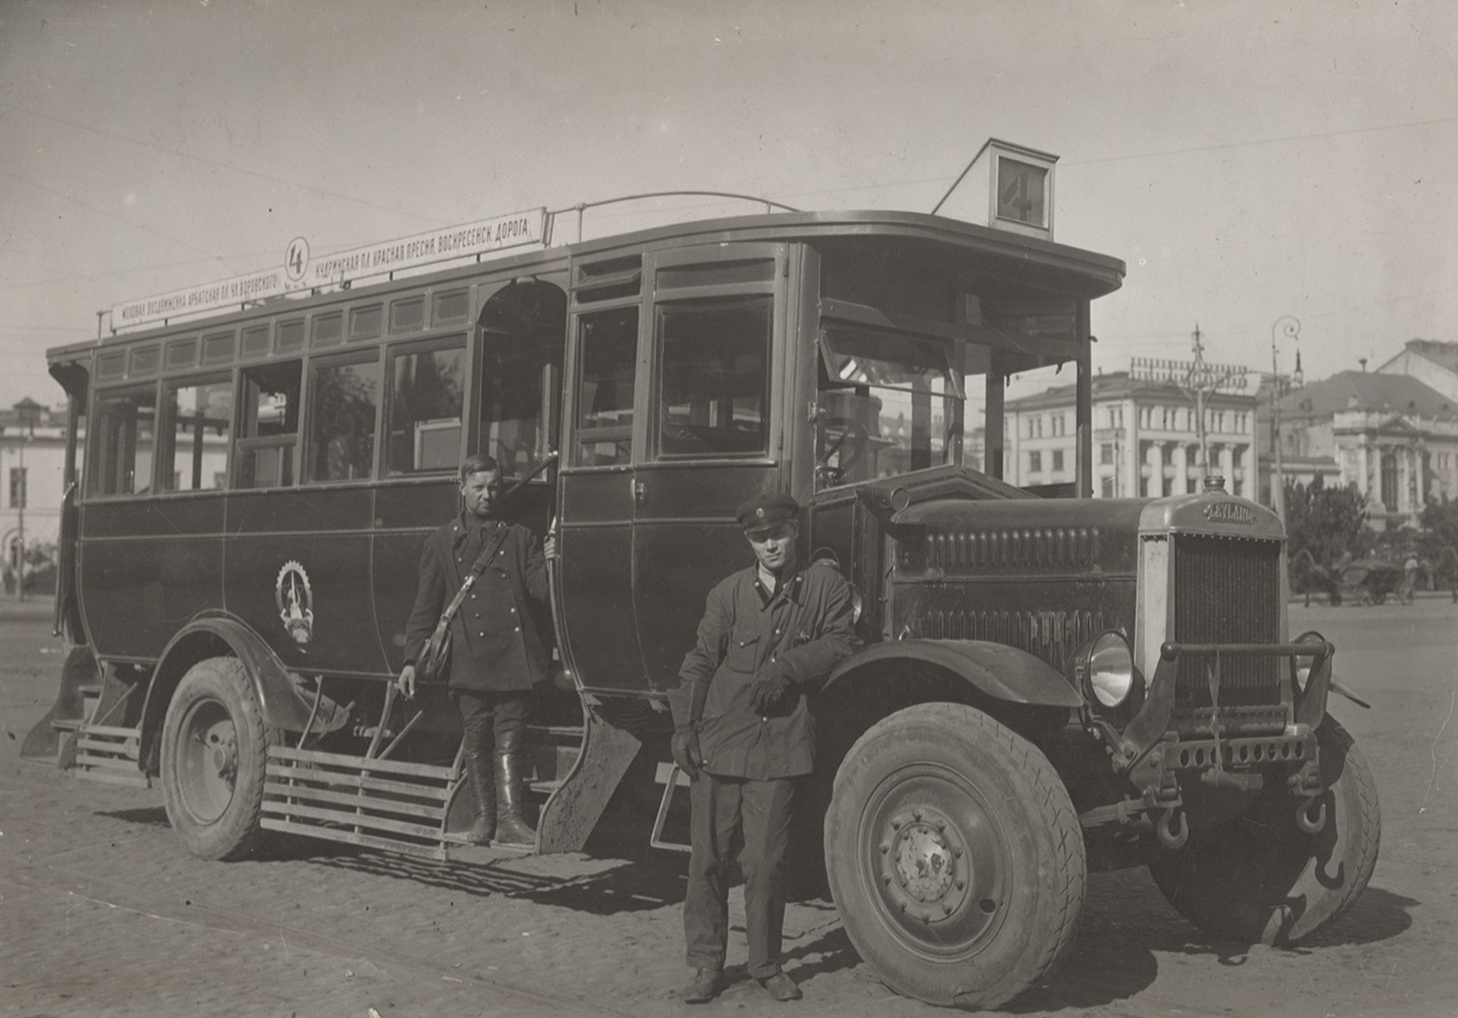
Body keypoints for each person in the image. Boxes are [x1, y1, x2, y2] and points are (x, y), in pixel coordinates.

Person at [670, 492, 859, 1004]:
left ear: (795, 530)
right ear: (748, 541)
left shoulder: (825, 587)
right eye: (759, 537)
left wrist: (788, 668)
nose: (770, 544)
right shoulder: (728, 594)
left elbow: (843, 642)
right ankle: (707, 964)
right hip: (720, 740)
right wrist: (683, 728)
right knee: (707, 860)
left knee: (767, 862)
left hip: (780, 745)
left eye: (778, 533)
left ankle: (766, 964)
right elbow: (699, 662)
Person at [397, 453, 554, 847]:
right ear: (462, 487)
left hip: (513, 655)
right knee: (477, 735)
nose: (487, 494)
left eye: (494, 487)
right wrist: (411, 659)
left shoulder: (521, 536)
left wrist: (554, 563)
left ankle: (511, 819)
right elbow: (426, 605)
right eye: (479, 487)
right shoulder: (443, 541)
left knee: (510, 738)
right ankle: (485, 818)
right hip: (469, 656)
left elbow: (542, 589)